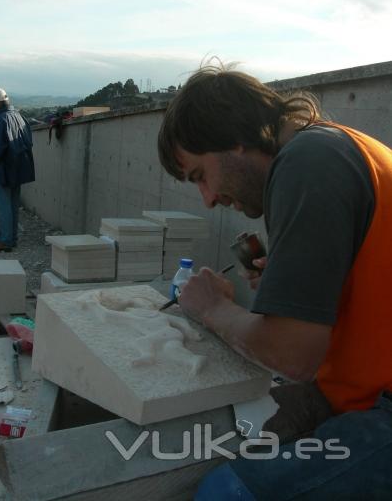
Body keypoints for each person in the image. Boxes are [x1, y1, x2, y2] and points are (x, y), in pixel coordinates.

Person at [157, 63, 392, 499]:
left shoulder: (309, 163)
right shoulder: (333, 149)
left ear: (233, 139)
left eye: (200, 176)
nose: (207, 200)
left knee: (225, 492)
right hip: (367, 387)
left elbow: (292, 354)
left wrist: (212, 309)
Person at [0, 88, 35, 252]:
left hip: (4, 168)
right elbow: (29, 142)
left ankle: (5, 240)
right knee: (13, 204)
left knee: (3, 205)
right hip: (19, 166)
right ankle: (11, 239)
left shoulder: (0, 120)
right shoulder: (19, 116)